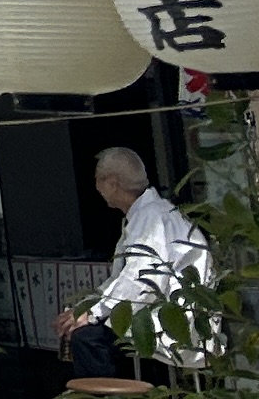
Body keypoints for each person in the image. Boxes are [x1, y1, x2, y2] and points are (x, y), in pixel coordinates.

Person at [58, 147, 214, 379]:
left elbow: (140, 280)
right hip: (159, 310)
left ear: (111, 183)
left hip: (173, 318)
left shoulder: (151, 218)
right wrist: (86, 309)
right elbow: (122, 281)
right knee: (86, 330)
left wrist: (92, 314)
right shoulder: (149, 213)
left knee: (87, 339)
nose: (97, 189)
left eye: (98, 181)